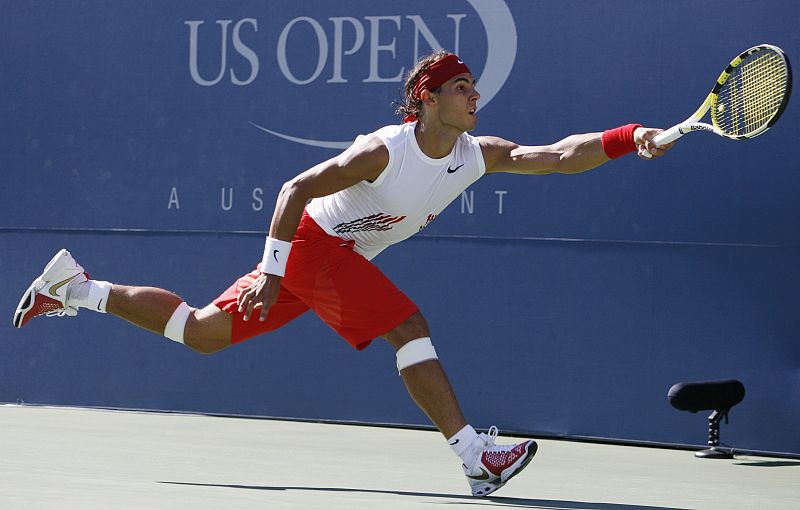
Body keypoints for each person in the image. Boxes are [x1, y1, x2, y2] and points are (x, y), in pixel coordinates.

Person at [13, 49, 672, 497]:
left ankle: (73, 286)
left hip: (329, 262)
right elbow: (294, 187)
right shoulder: (382, 151)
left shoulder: (475, 155)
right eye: (462, 88)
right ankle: (475, 457)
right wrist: (274, 270)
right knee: (407, 324)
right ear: (428, 99)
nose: (476, 95)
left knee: (203, 333)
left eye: (474, 85)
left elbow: (557, 156)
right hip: (308, 245)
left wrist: (629, 137)